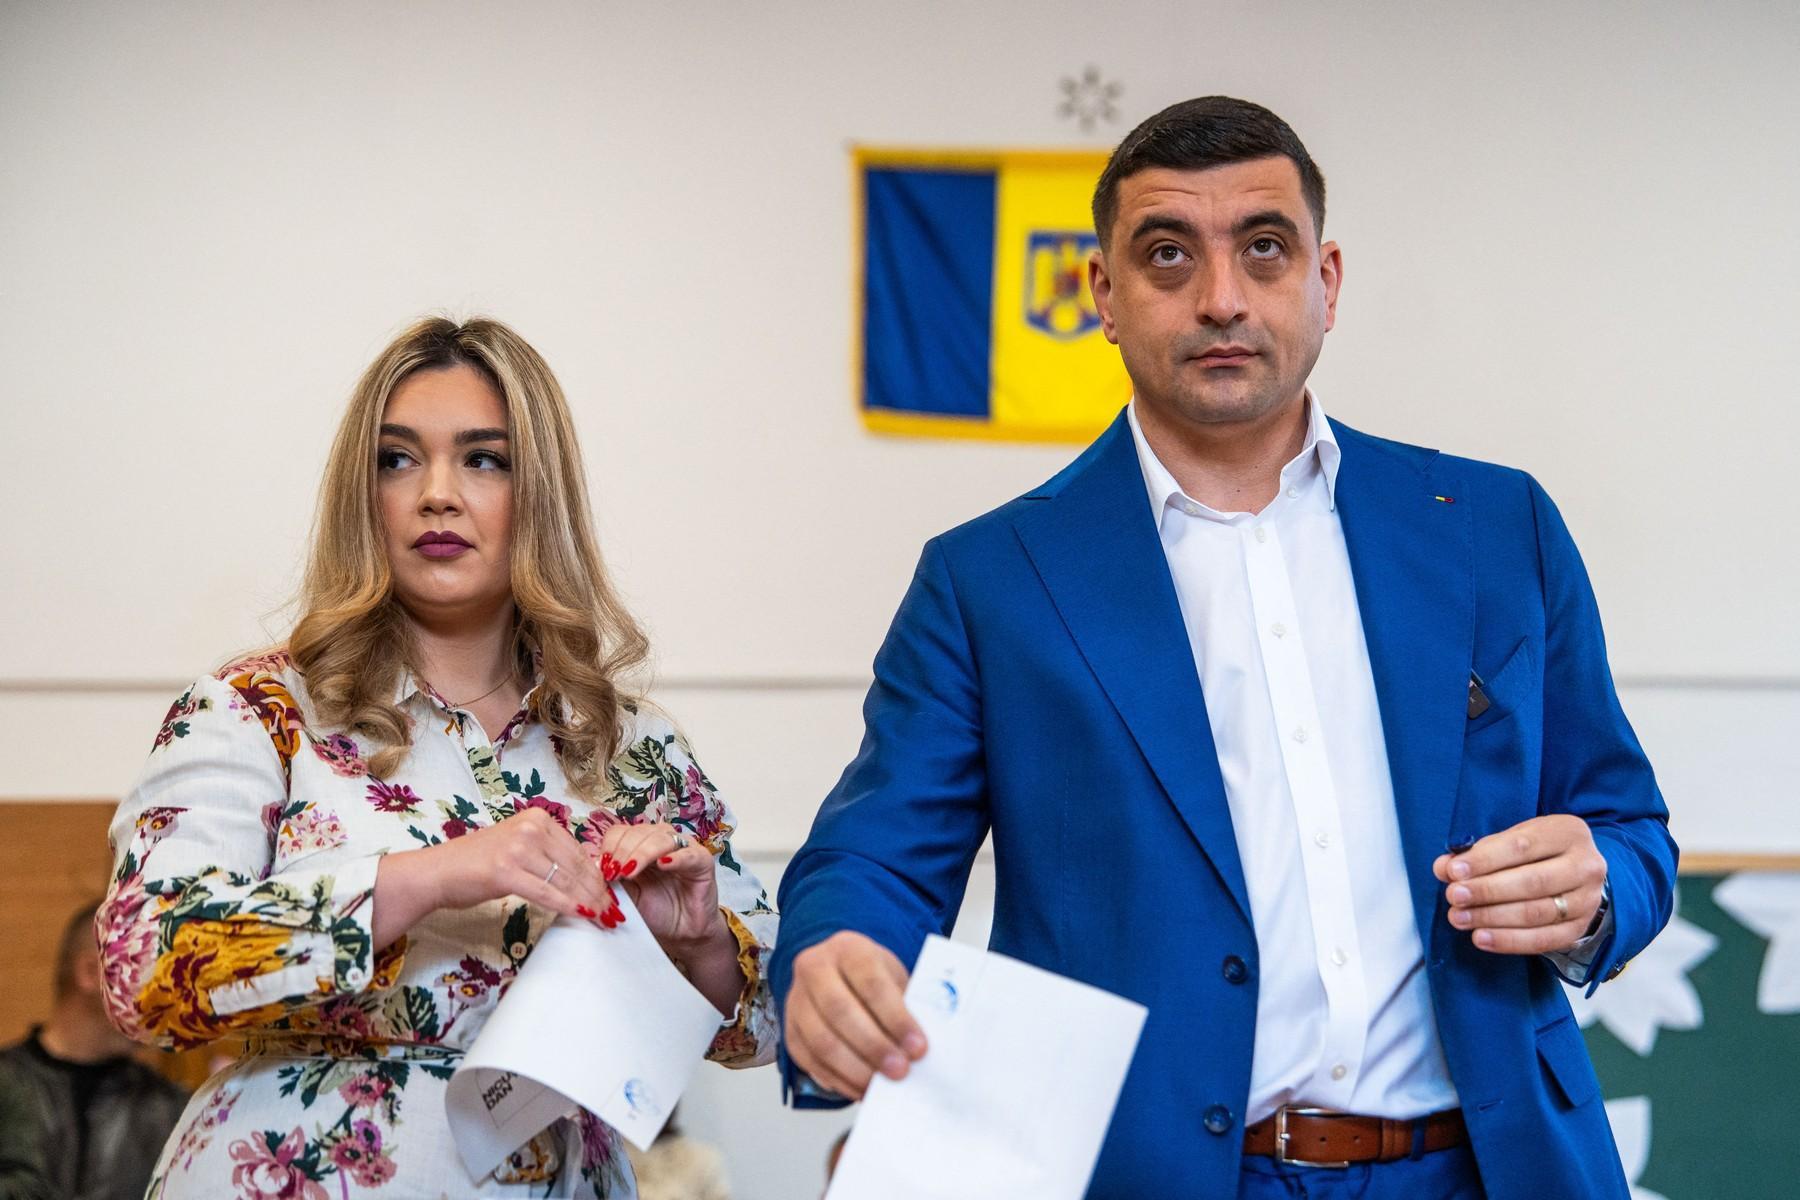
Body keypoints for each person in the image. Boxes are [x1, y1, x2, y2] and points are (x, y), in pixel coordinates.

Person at [771, 97, 1675, 1200]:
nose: (1221, 298)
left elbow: (1628, 828)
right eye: (1167, 254)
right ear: (1102, 294)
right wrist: (836, 951)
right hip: (1152, 1176)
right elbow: (875, 857)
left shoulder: (1496, 527)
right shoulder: (988, 582)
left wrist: (1595, 895)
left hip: (1488, 1167)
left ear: (1326, 282)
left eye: (1264, 247)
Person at [96, 316, 778, 1198]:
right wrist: (432, 876)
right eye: (398, 460)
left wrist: (698, 944)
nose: (438, 495)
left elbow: (769, 1027)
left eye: (484, 459)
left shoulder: (634, 747)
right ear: (363, 494)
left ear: (541, 493)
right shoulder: (259, 709)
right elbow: (143, 969)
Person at [0, 901, 187, 1200]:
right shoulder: (7, 1085)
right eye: (151, 970)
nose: (168, 991)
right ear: (90, 972)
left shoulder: (171, 1109)